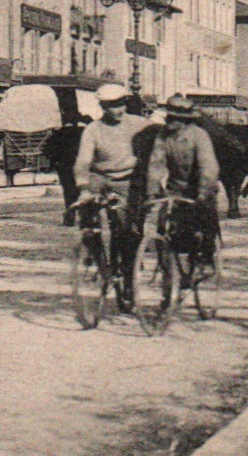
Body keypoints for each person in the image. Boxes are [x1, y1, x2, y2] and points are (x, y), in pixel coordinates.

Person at [72, 83, 155, 311]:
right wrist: (83, 187)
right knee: (86, 212)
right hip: (100, 178)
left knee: (128, 232)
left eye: (119, 105)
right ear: (101, 107)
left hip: (127, 181)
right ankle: (97, 257)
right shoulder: (93, 130)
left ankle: (128, 283)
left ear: (125, 104)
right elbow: (83, 161)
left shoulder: (140, 125)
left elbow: (160, 138)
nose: (115, 111)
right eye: (109, 106)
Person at [148, 95, 223, 270]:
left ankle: (206, 254)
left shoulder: (199, 136)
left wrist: (203, 193)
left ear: (185, 120)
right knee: (165, 225)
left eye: (175, 118)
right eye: (169, 117)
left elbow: (208, 167)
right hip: (176, 186)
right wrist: (152, 191)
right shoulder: (163, 137)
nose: (170, 122)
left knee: (204, 215)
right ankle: (168, 268)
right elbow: (156, 165)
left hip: (201, 185)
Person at [44, 113, 91, 227]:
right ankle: (85, 218)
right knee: (83, 190)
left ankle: (70, 217)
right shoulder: (85, 131)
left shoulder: (58, 133)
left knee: (69, 191)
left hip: (65, 167)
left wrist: (55, 162)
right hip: (83, 166)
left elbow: (47, 150)